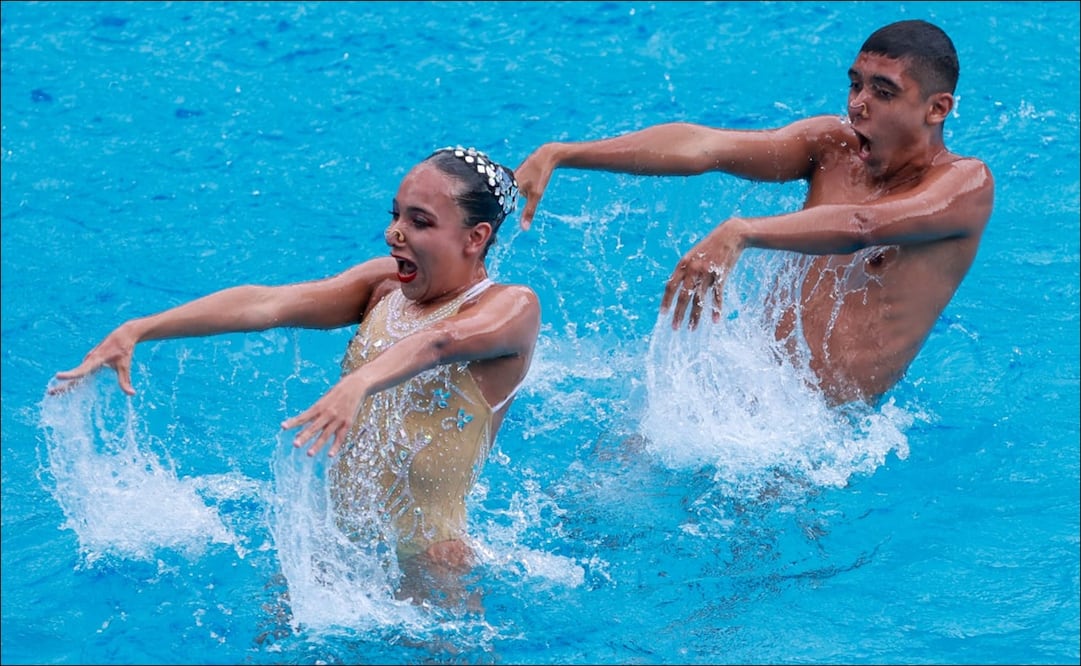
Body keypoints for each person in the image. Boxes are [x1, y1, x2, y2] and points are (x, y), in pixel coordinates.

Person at [50, 146, 541, 607]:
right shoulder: (384, 286)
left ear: (475, 237)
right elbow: (268, 303)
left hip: (429, 568)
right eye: (395, 215)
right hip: (332, 553)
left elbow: (441, 341)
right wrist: (141, 329)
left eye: (419, 221)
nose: (394, 233)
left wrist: (358, 383)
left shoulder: (512, 307)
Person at [514, 19, 993, 407]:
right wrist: (564, 153)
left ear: (937, 108)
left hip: (820, 436)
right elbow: (706, 146)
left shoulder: (965, 186)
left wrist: (741, 231)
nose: (857, 105)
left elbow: (862, 225)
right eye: (854, 85)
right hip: (740, 389)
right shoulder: (833, 146)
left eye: (883, 93)